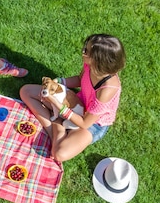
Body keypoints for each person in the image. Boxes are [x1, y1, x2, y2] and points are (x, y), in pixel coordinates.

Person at [19, 34, 125, 162]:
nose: (83, 51)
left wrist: (58, 106)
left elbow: (84, 123)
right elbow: (80, 80)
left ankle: (57, 122)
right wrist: (58, 82)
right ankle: (55, 133)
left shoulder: (106, 90)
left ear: (97, 60)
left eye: (86, 51)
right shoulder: (90, 66)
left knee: (59, 154)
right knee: (26, 91)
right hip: (76, 102)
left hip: (92, 124)